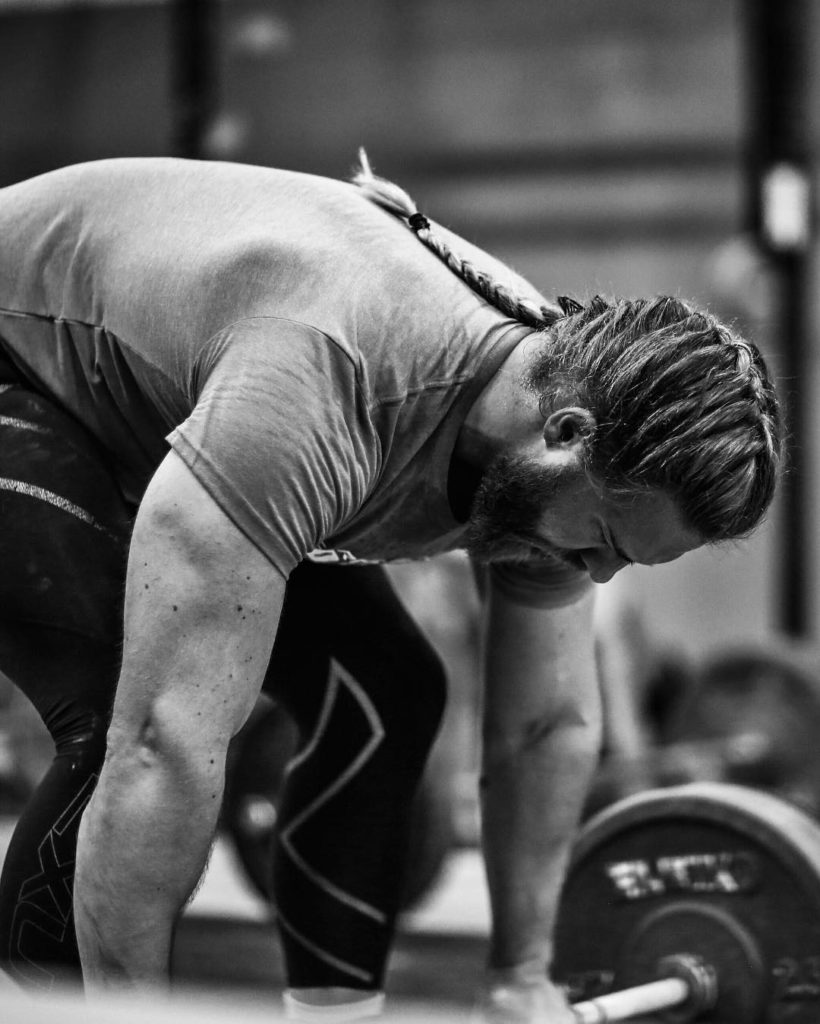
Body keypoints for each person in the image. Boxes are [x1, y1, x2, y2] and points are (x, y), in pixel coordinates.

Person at [0, 151, 780, 1022]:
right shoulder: (325, 391)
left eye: (624, 562)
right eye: (601, 542)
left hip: (156, 416)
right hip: (21, 371)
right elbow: (162, 746)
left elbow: (544, 724)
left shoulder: (546, 436)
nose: (594, 576)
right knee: (126, 709)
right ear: (566, 434)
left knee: (387, 691)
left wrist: (521, 976)